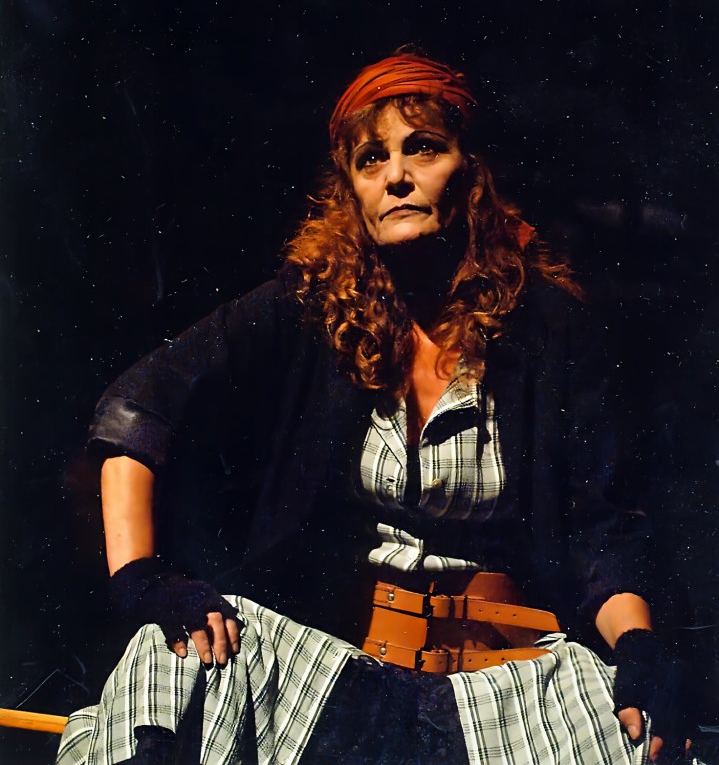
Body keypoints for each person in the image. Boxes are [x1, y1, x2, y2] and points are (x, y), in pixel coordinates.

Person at [57, 52, 695, 765]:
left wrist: (639, 647)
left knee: (643, 736)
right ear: (352, 192)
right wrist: (141, 579)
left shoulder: (551, 329)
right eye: (371, 159)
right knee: (167, 657)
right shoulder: (309, 309)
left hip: (511, 687)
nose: (396, 175)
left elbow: (604, 532)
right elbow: (139, 404)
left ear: (471, 171)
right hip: (333, 667)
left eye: (423, 148)